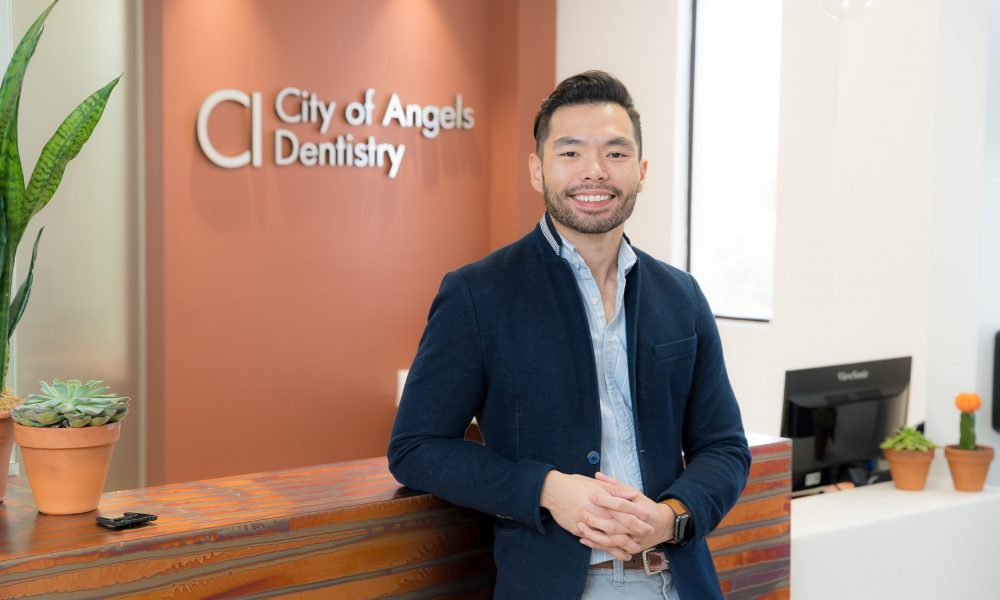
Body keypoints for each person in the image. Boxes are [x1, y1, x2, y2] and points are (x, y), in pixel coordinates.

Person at [388, 71, 750, 600]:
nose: (594, 171)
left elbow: (724, 447)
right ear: (538, 171)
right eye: (571, 152)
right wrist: (546, 489)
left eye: (616, 153)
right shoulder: (477, 294)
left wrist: (671, 516)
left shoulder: (682, 295)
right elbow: (416, 447)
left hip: (679, 580)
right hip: (558, 586)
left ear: (642, 172)